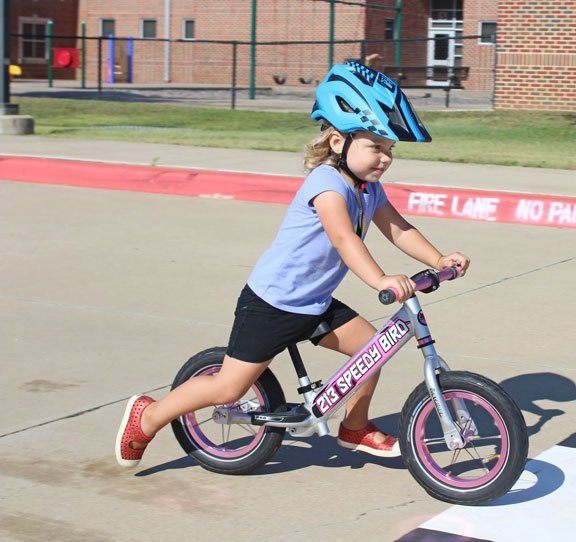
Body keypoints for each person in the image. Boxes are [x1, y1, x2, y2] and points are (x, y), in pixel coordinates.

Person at [116, 61, 470, 467]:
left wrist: (439, 258)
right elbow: (344, 238)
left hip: (314, 302)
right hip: (273, 303)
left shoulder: (369, 189)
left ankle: (354, 427)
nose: (385, 158)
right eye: (375, 146)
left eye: (390, 149)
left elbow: (399, 229)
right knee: (228, 389)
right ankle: (148, 417)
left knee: (373, 352)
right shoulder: (326, 184)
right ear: (338, 141)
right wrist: (379, 279)